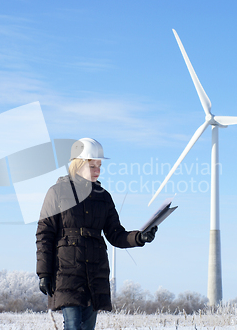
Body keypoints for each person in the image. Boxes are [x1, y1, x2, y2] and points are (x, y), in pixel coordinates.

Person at [36, 138, 158, 330]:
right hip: (66, 272)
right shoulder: (57, 192)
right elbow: (44, 234)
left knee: (87, 327)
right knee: (73, 325)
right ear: (78, 165)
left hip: (95, 272)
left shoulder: (104, 197)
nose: (98, 171)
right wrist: (44, 273)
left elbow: (115, 233)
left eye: (99, 166)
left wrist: (139, 237)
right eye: (93, 166)